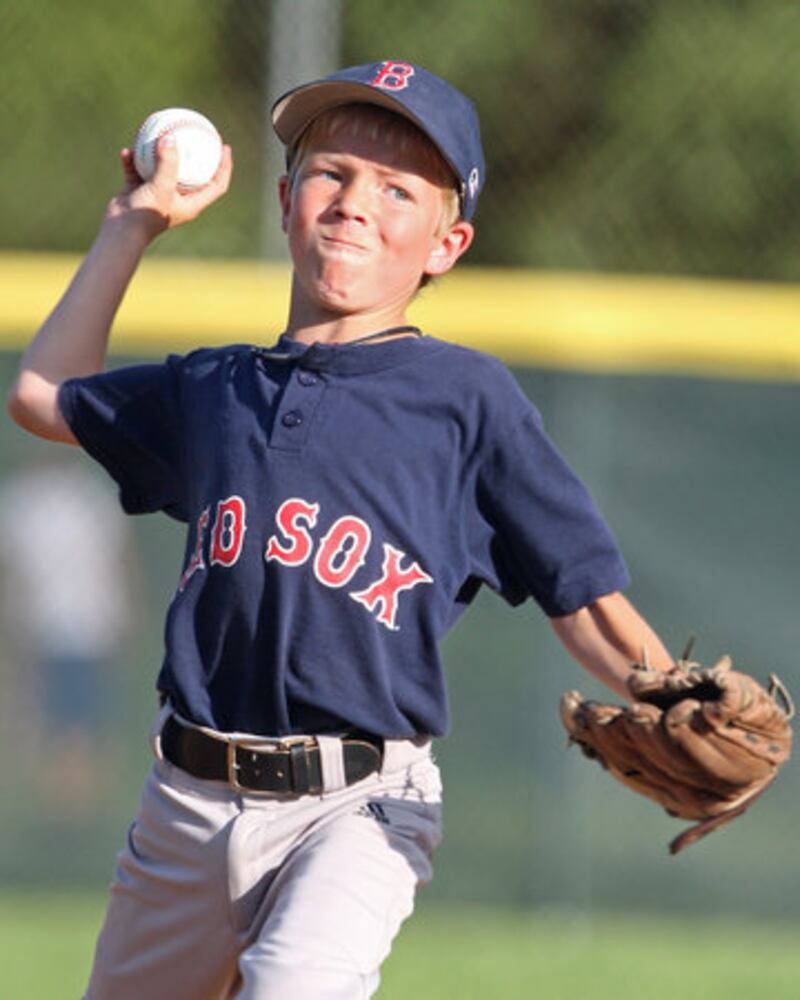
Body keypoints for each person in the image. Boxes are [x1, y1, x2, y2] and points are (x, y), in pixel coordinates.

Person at [7, 60, 673, 1000]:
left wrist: (672, 695)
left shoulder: (465, 400)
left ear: (447, 244)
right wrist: (133, 225)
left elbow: (583, 595)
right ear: (285, 201)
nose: (356, 202)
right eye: (332, 173)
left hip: (362, 805)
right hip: (187, 802)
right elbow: (41, 395)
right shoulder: (215, 390)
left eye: (398, 189)